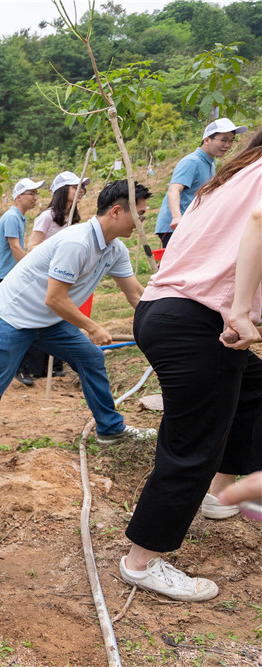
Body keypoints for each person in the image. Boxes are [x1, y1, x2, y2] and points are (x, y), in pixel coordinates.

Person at [120, 133, 262, 601]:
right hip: (195, 320)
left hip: (164, 308)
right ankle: (141, 562)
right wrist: (240, 309)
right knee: (193, 443)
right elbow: (260, 224)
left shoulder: (232, 176)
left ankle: (218, 494)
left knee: (252, 388)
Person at [0, 180, 157, 463]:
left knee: (90, 358)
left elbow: (135, 294)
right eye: (139, 215)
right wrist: (92, 327)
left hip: (49, 320)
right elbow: (55, 298)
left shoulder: (115, 250)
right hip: (11, 316)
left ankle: (110, 428)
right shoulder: (77, 242)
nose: (141, 222)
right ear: (116, 212)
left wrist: (161, 326)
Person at [24, 171, 92, 382]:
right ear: (62, 191)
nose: (80, 191)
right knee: (41, 319)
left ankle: (54, 365)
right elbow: (31, 246)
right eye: (75, 187)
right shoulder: (46, 217)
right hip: (45, 276)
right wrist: (56, 251)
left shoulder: (72, 219)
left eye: (82, 188)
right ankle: (34, 367)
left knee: (58, 318)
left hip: (63, 277)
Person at [154, 117, 247, 248]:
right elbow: (174, 190)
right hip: (175, 226)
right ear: (207, 139)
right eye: (223, 140)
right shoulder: (192, 161)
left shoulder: (210, 163)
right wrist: (176, 217)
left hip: (190, 224)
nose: (227, 145)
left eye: (231, 141)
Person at [0, 177, 44, 387]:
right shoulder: (12, 217)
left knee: (10, 322)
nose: (35, 197)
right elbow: (15, 247)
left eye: (36, 193)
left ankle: (12, 366)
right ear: (18, 197)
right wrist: (29, 270)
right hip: (2, 277)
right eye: (31, 193)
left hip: (9, 276)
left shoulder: (20, 218)